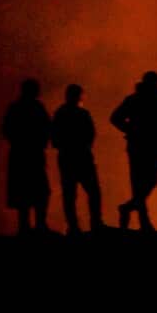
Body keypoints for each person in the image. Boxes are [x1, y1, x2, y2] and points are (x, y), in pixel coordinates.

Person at [110, 71, 157, 231]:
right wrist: (130, 130)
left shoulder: (155, 100)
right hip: (141, 147)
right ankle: (143, 221)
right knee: (140, 184)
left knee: (150, 182)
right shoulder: (138, 100)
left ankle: (128, 209)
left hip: (149, 147)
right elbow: (115, 118)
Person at [2, 79, 52, 235]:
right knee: (40, 191)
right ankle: (39, 225)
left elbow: (6, 129)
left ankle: (25, 227)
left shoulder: (15, 108)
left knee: (24, 192)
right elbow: (47, 128)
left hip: (20, 155)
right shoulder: (37, 108)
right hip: (32, 155)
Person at [52, 84, 102, 234]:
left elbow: (54, 138)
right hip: (83, 158)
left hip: (67, 158)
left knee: (70, 194)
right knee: (93, 192)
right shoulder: (82, 114)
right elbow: (91, 134)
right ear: (80, 96)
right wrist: (84, 146)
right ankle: (95, 223)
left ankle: (73, 226)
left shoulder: (60, 114)